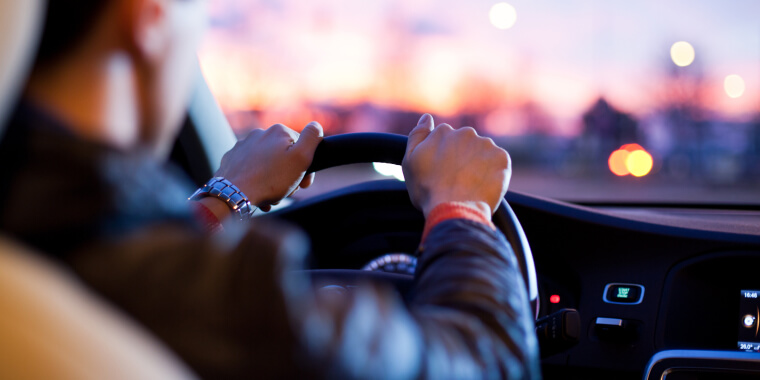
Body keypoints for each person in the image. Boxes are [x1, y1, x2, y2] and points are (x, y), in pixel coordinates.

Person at [0, 0, 540, 378]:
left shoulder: (43, 228)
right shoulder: (234, 307)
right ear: (148, 17)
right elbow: (488, 362)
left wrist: (225, 194)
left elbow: (132, 250)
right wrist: (460, 209)